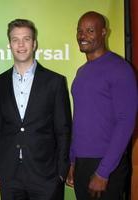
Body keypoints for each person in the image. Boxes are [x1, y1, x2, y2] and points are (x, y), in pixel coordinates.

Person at [0, 18, 72, 200]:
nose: (21, 44)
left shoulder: (55, 82)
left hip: (46, 175)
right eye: (15, 39)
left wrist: (61, 172)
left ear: (34, 44)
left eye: (26, 39)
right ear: (9, 45)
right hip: (10, 175)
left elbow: (63, 129)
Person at [66, 11, 138, 200]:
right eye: (80, 31)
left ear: (104, 32)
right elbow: (79, 118)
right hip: (82, 162)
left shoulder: (120, 69)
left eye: (90, 30)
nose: (83, 36)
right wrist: (73, 161)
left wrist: (103, 172)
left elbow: (126, 122)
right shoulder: (81, 72)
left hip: (106, 165)